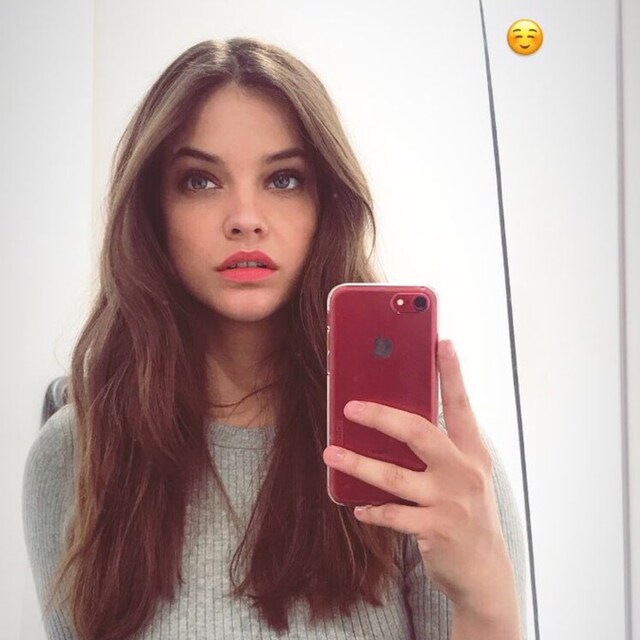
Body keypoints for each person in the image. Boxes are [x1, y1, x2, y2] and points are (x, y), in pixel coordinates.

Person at [23, 37, 527, 640]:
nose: (245, 218)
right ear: (153, 211)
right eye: (200, 181)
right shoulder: (75, 453)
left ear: (326, 204)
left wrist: (486, 600)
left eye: (284, 179)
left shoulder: (423, 455)